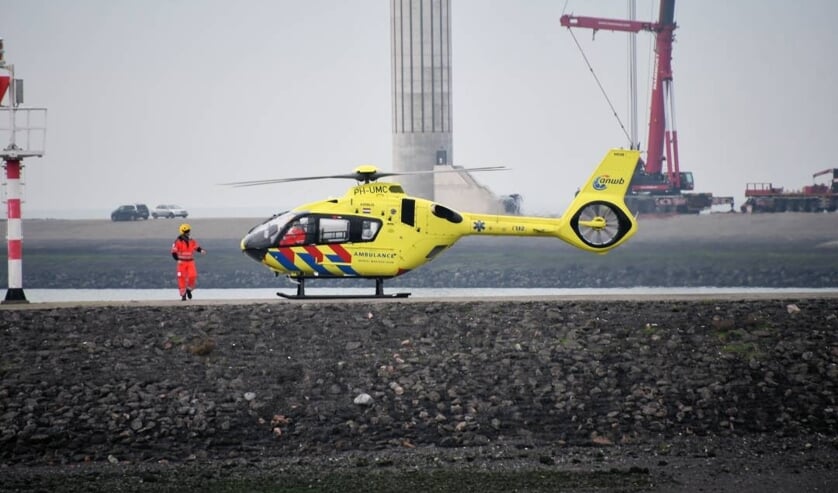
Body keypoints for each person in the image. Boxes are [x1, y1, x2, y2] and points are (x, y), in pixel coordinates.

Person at [171, 223, 206, 301]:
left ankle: (189, 290)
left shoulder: (191, 240)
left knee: (193, 276)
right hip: (181, 263)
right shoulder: (178, 241)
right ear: (183, 232)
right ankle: (183, 295)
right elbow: (173, 252)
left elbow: (196, 247)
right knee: (181, 278)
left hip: (190, 262)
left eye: (188, 231)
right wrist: (178, 260)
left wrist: (201, 250)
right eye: (186, 231)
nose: (188, 232)